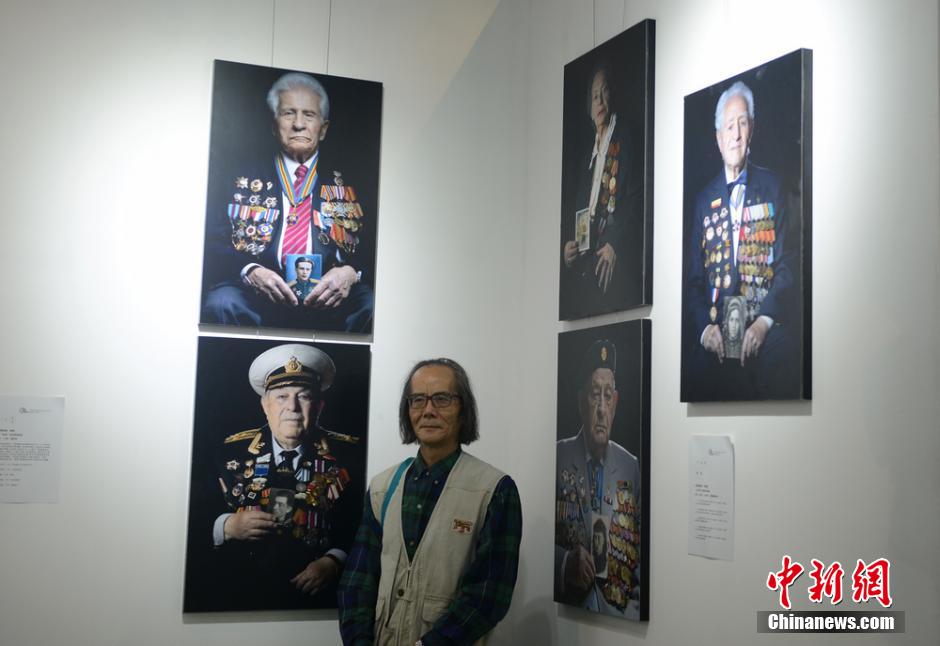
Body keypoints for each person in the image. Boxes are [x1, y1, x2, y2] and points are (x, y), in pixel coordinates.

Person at [338, 358, 522, 645]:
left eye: (442, 399)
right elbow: (357, 581)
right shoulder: (382, 488)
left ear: (463, 409)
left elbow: (489, 596)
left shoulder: (494, 490)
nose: (428, 411)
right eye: (418, 400)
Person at [202, 71, 374, 333]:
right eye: (288, 113)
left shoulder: (353, 179)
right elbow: (213, 240)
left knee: (370, 305)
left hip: (331, 295)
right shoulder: (238, 177)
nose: (299, 124)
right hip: (257, 294)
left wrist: (350, 272)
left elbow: (374, 244)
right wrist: (251, 271)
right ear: (274, 125)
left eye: (309, 114)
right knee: (221, 303)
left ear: (323, 129)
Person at [211, 343, 363, 610]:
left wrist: (334, 560)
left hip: (318, 602)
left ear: (319, 406)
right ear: (265, 405)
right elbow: (193, 517)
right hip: (240, 594)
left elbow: (361, 526)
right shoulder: (229, 452)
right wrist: (228, 526)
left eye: (303, 397)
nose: (292, 407)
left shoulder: (349, 455)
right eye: (281, 396)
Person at [684, 80, 798, 399]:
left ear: (752, 130)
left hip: (761, 328)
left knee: (788, 356)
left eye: (742, 123)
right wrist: (705, 330)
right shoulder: (703, 200)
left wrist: (764, 322)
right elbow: (693, 283)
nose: (736, 135)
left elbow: (787, 266)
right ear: (719, 138)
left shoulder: (774, 188)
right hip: (717, 332)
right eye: (729, 126)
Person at [555, 340, 641, 619]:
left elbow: (640, 553)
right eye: (595, 395)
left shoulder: (630, 467)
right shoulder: (558, 457)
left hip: (619, 618)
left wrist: (632, 613)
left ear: (616, 403)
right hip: (570, 612)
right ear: (582, 402)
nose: (602, 409)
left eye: (608, 396)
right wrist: (565, 562)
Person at [560, 61, 643, 319]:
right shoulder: (588, 152)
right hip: (588, 266)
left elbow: (637, 200)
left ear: (613, 94)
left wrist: (615, 244)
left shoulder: (626, 137)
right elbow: (580, 209)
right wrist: (570, 249)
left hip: (616, 262)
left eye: (604, 91)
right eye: (594, 95)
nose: (599, 100)